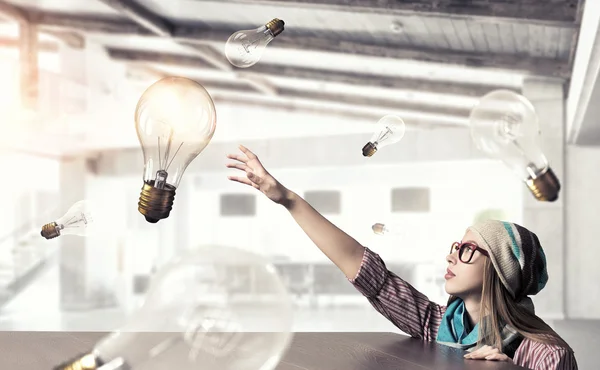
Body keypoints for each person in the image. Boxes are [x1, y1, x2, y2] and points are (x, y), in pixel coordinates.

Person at [225, 145, 578, 370]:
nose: (452, 255)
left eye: (468, 249)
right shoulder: (436, 325)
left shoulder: (549, 355)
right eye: (456, 246)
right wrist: (288, 199)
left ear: (501, 270)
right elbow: (368, 273)